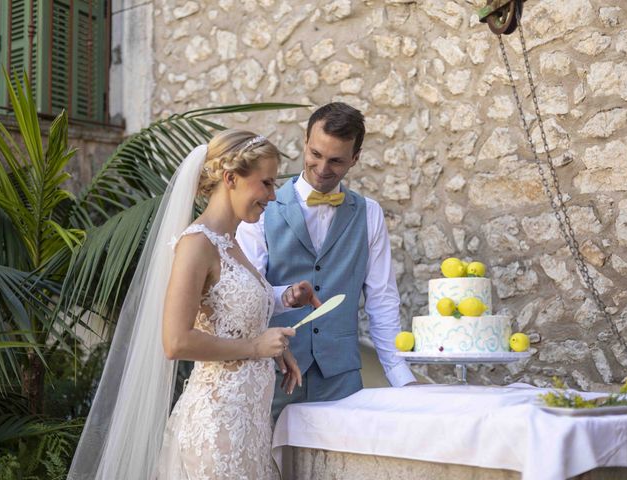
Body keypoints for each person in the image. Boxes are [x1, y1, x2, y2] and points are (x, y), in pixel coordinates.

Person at [68, 130, 320, 480]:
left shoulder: (231, 243)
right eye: (265, 183)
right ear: (231, 178)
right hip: (216, 429)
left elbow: (230, 319)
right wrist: (256, 347)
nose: (272, 195)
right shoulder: (196, 245)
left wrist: (272, 348)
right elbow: (176, 342)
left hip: (250, 425)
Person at [236, 103, 416, 420]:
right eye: (316, 154)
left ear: (355, 159)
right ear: (305, 143)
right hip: (274, 373)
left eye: (336, 161)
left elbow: (382, 299)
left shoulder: (369, 213)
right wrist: (284, 296)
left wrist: (400, 377)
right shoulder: (262, 208)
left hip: (341, 379)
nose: (322, 168)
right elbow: (246, 292)